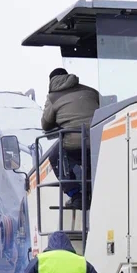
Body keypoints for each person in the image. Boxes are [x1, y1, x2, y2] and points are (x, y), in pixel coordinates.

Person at [41, 68, 100, 209]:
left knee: (56, 156)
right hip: (99, 138)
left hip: (73, 142)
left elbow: (45, 124)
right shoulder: (91, 91)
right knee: (89, 156)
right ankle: (92, 188)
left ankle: (76, 195)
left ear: (51, 81)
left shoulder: (52, 97)